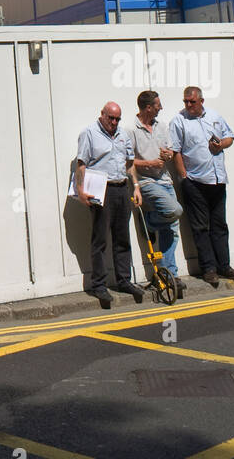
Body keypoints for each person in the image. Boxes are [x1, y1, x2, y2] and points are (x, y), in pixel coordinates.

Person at [169, 85, 234, 288]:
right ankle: (209, 269)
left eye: (191, 102)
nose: (187, 105)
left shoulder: (214, 116)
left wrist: (222, 144)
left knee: (220, 225)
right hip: (195, 181)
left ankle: (224, 266)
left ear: (201, 101)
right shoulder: (179, 121)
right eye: (185, 101)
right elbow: (175, 151)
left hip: (218, 180)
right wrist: (183, 177)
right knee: (201, 227)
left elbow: (230, 137)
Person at [75, 101, 143, 308]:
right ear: (102, 114)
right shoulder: (89, 133)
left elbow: (129, 163)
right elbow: (81, 164)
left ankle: (124, 280)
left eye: (117, 119)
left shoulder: (123, 135)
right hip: (101, 189)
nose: (113, 122)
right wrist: (80, 191)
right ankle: (99, 285)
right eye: (110, 118)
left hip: (121, 188)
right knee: (100, 239)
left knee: (122, 237)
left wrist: (136, 187)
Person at [129, 90, 185, 298]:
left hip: (165, 179)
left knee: (171, 228)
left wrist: (167, 155)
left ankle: (170, 273)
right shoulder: (131, 130)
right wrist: (150, 163)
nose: (161, 108)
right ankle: (151, 221)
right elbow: (128, 161)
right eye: (158, 105)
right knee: (175, 211)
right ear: (148, 107)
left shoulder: (162, 126)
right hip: (147, 182)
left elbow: (170, 151)